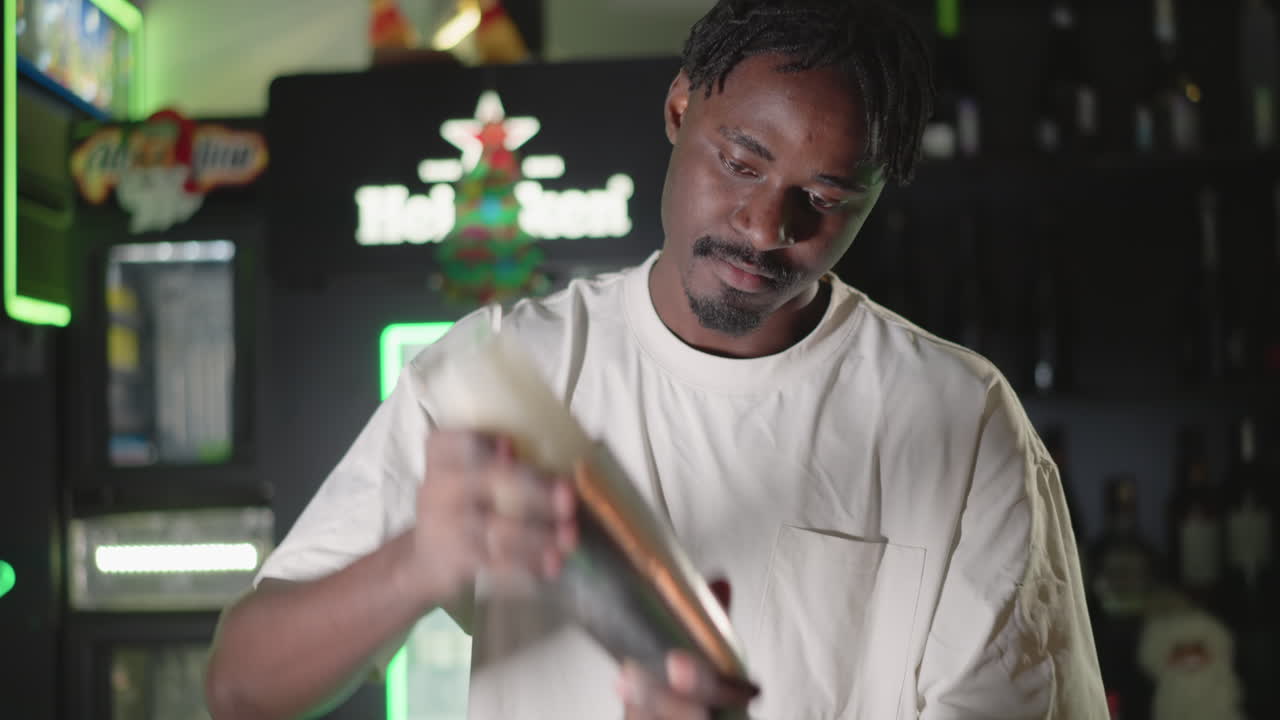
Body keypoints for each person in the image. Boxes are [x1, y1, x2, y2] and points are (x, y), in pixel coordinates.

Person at [205, 0, 1108, 718]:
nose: (766, 226)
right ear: (681, 109)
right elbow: (240, 690)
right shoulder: (508, 374)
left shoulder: (960, 421)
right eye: (741, 162)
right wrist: (417, 564)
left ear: (874, 197)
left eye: (827, 197)